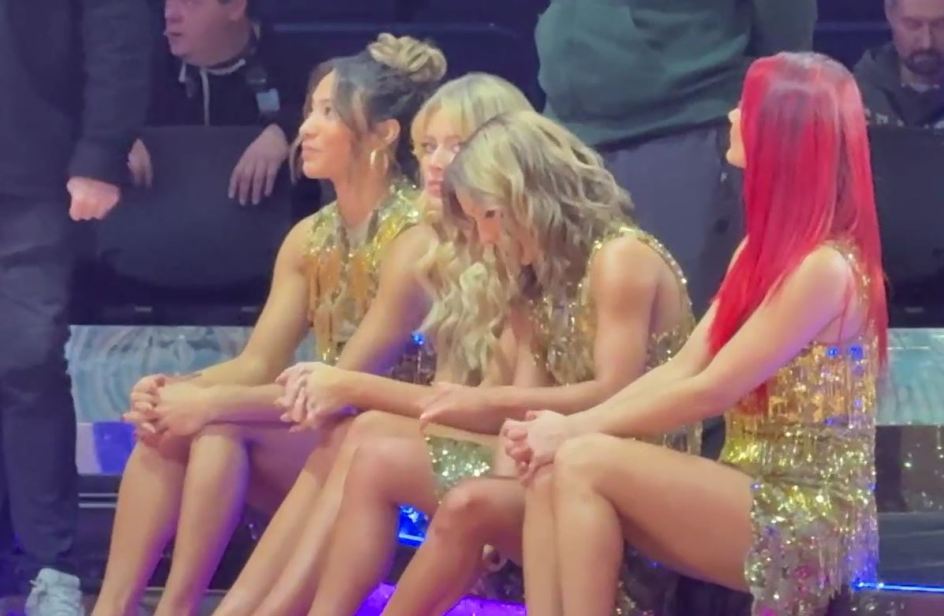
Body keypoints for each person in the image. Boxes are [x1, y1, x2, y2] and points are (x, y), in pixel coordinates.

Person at [505, 52, 888, 616]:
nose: (732, 114)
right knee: (551, 467)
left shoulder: (823, 269)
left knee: (581, 457)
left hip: (808, 516)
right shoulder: (755, 254)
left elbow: (713, 390)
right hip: (746, 487)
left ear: (776, 133)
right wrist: (563, 430)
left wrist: (576, 427)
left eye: (746, 106)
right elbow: (684, 366)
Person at [284, 110, 697, 616]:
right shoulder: (537, 281)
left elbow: (616, 392)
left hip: (628, 492)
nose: (484, 237)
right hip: (553, 471)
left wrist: (484, 404)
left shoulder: (619, 259)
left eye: (489, 216)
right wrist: (502, 475)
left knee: (467, 503)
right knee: (380, 453)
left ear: (531, 195)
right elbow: (520, 417)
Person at [90, 33, 446, 616]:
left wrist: (209, 404)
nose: (306, 127)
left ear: (383, 135)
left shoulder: (415, 241)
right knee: (176, 427)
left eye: (330, 113)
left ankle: (180, 606)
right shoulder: (310, 236)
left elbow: (346, 390)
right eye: (310, 110)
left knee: (220, 426)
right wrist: (179, 391)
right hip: (323, 431)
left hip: (394, 457)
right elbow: (258, 362)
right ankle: (117, 608)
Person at [211, 72, 538, 616]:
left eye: (456, 145)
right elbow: (450, 398)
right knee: (337, 433)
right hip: (465, 444)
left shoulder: (525, 256)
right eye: (428, 146)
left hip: (524, 463)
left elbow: (502, 413)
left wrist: (348, 384)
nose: (436, 162)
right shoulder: (448, 250)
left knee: (356, 432)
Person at [534, 0, 817, 461]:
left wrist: (764, 103)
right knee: (570, 347)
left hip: (682, 124)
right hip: (570, 128)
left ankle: (675, 507)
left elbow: (785, 24)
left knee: (678, 344)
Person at [0, 0, 151, 613]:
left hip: (30, 161)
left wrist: (101, 149)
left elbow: (118, 26)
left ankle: (49, 570)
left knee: (27, 364)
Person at [129, 0, 304, 206]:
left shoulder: (298, 68)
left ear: (236, 6)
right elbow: (93, 123)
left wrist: (285, 131)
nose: (170, 14)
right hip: (156, 226)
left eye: (190, 2)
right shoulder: (132, 72)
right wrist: (119, 140)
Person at [854, 0, 944, 134]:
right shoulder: (854, 98)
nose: (926, 43)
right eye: (912, 25)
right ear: (890, 14)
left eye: (940, 25)